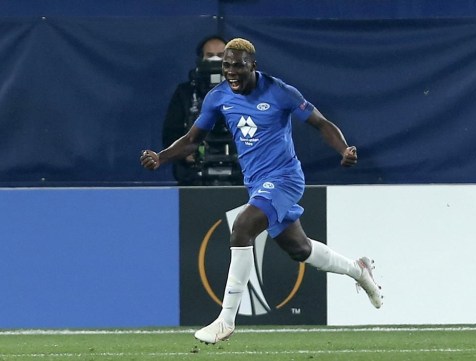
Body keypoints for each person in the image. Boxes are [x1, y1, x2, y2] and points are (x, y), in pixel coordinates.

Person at [141, 38, 383, 344]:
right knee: (300, 249)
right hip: (257, 183)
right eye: (226, 65)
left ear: (253, 65)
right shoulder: (217, 97)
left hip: (285, 177)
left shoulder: (280, 92)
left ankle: (225, 320)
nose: (231, 71)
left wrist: (344, 149)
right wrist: (161, 157)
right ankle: (358, 269)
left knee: (242, 227)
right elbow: (192, 139)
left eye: (238, 65)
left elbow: (321, 123)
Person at [162, 35, 242, 185]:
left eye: (221, 56)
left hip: (241, 179)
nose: (216, 61)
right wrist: (183, 153)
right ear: (201, 59)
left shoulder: (248, 92)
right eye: (210, 56)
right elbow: (170, 132)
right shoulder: (185, 92)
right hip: (194, 178)